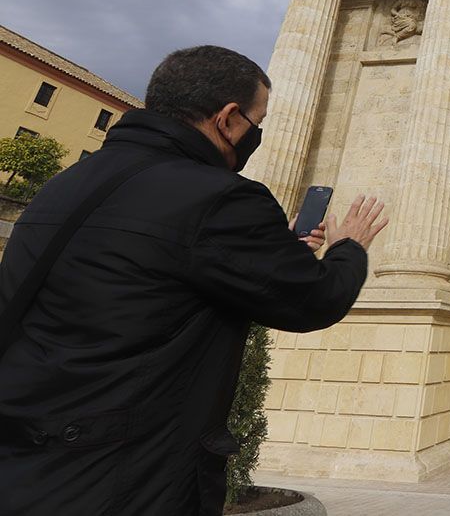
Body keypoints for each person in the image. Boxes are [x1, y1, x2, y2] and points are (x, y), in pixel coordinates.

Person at [0, 45, 389, 515]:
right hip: (126, 473)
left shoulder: (65, 184)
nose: (255, 135)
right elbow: (317, 299)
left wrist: (267, 253)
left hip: (25, 457)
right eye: (255, 122)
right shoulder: (220, 200)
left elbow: (144, 279)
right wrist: (349, 246)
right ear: (228, 118)